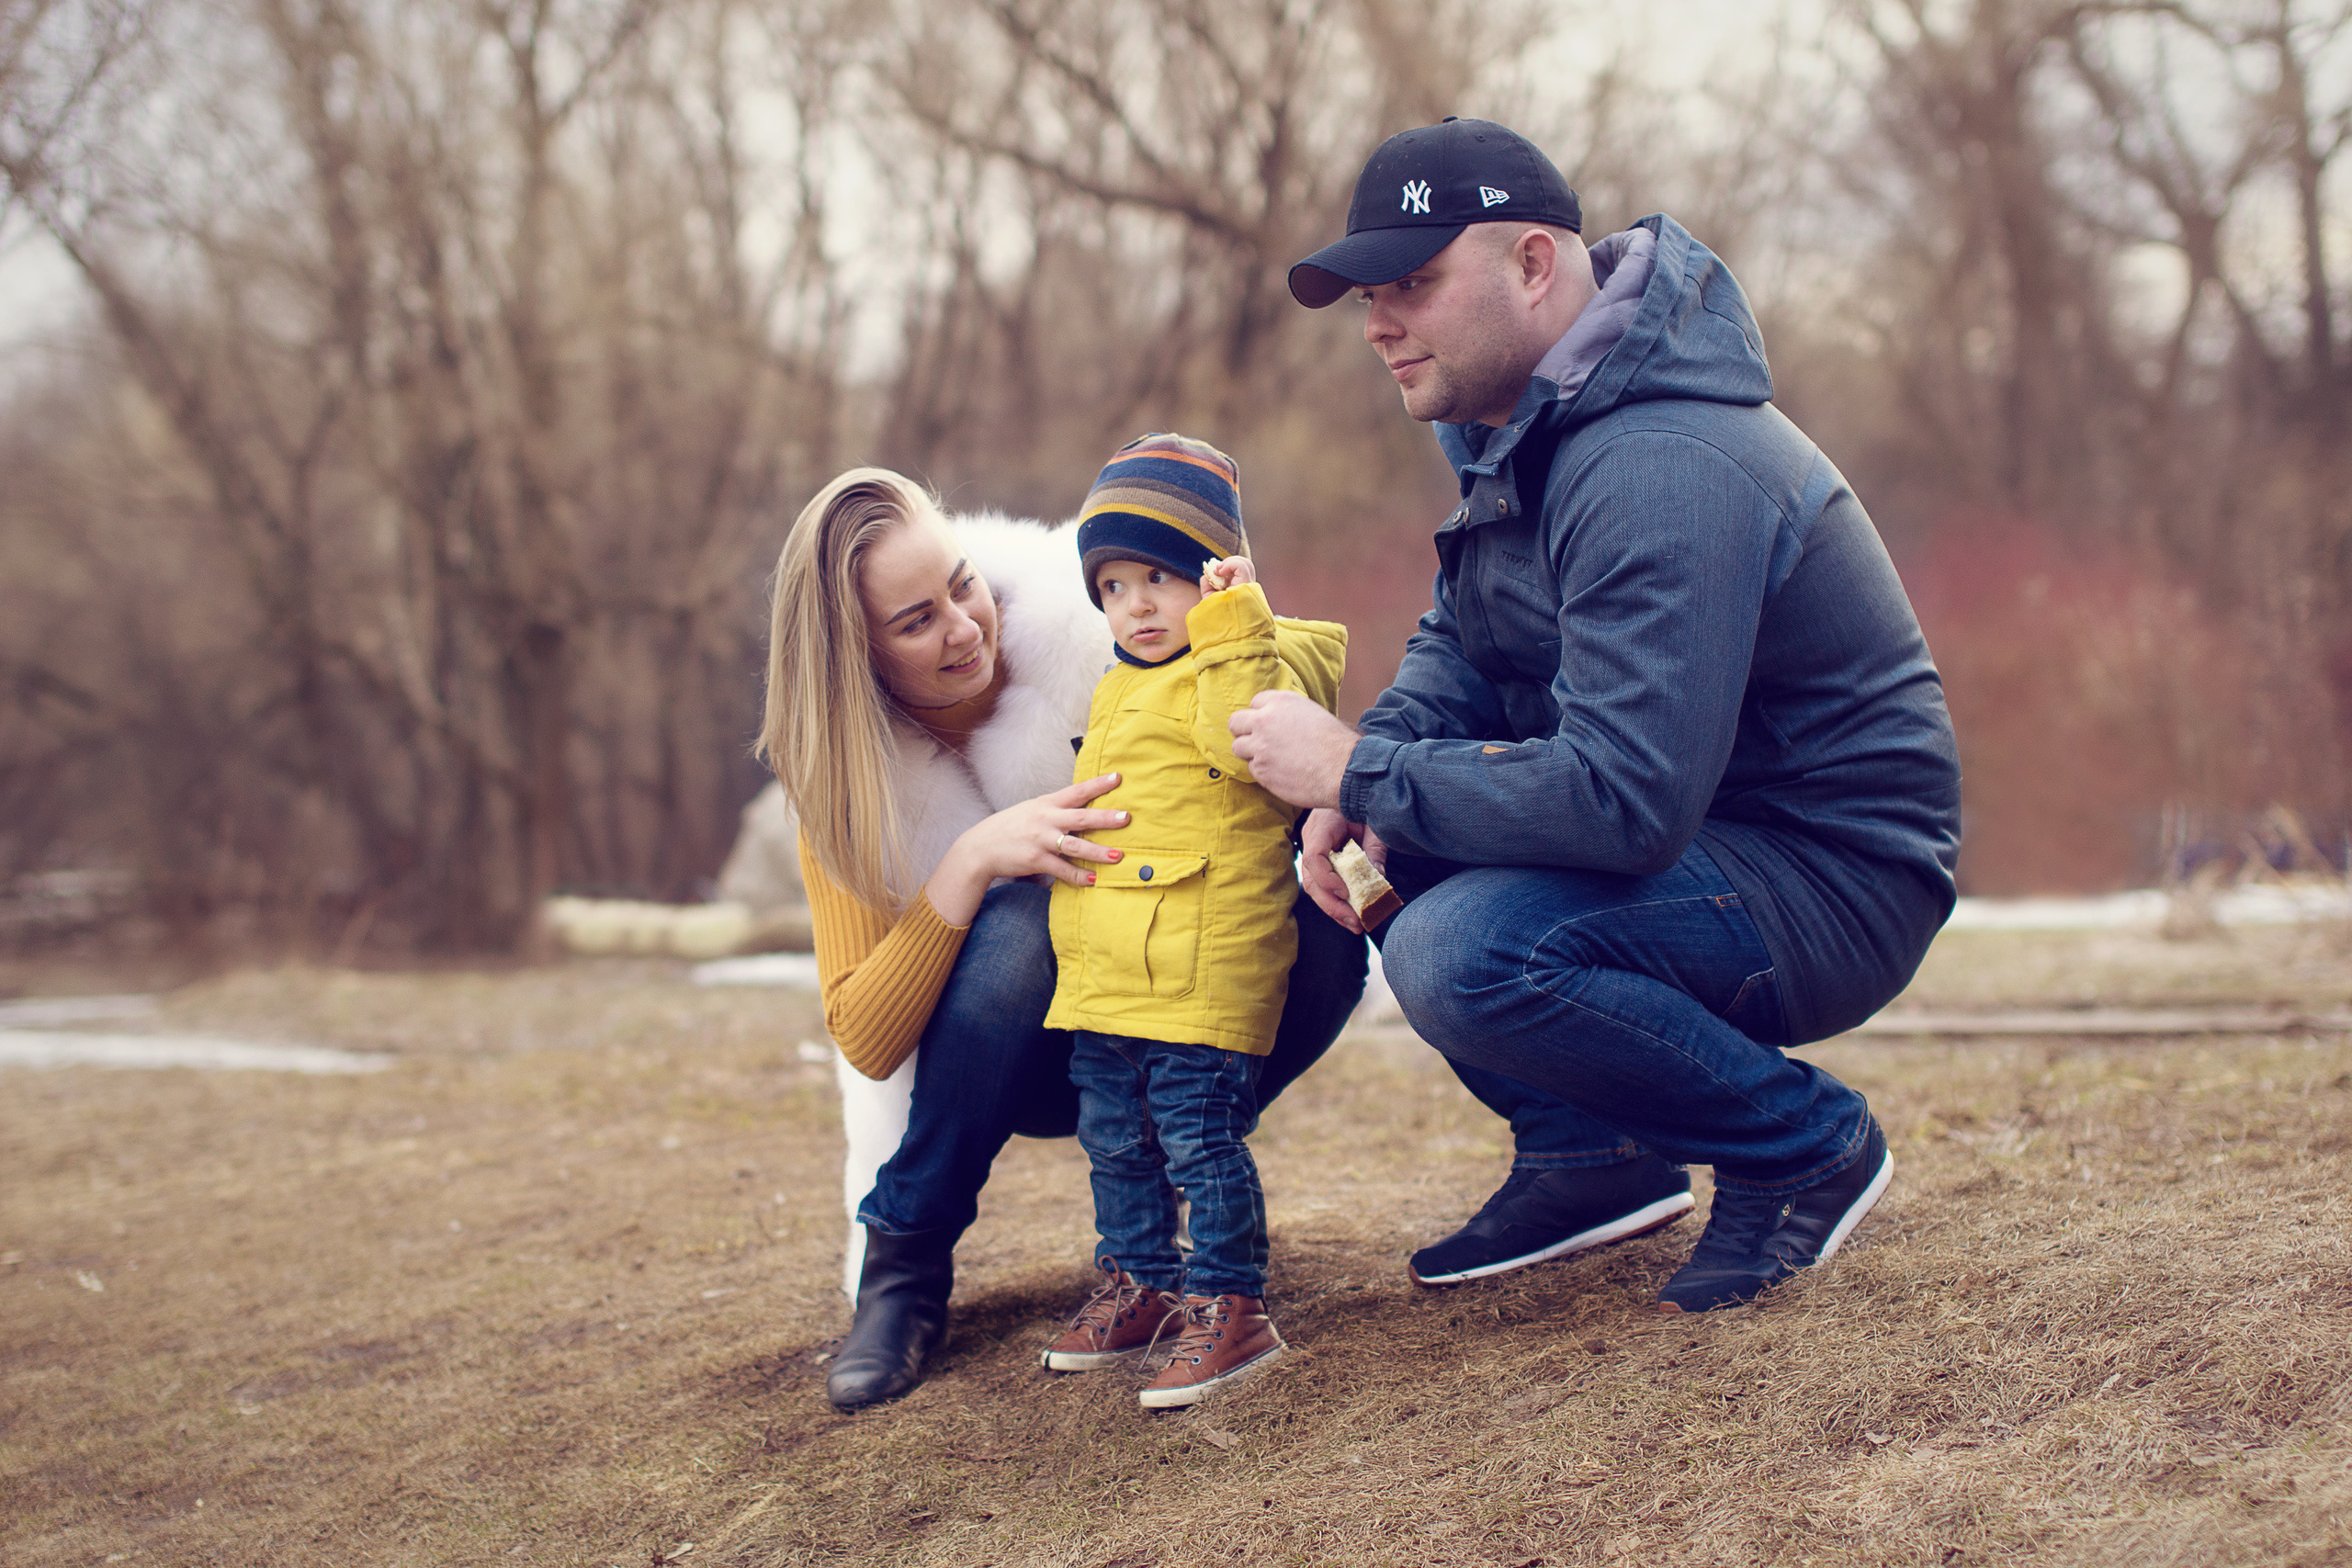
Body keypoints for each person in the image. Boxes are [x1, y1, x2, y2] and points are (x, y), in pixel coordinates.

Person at [1228, 118, 1962, 1313]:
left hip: (1836, 873)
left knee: (1463, 946)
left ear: (1532, 265)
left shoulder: (1656, 460)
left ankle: (1803, 1145)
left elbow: (1624, 800)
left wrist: (1365, 771)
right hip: (1706, 843)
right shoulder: (1522, 428)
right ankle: (1592, 1155)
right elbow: (1463, 639)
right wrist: (1361, 790)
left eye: (1412, 282)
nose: (1377, 323)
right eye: (1369, 291)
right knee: (1379, 857)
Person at [755, 468, 1365, 1412]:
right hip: (1003, 1063)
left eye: (963, 584)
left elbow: (1256, 764)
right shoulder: (845, 785)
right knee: (1026, 919)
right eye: (916, 622)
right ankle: (905, 1268)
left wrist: (1338, 807)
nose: (964, 627)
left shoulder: (1102, 641)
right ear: (855, 655)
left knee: (1313, 925)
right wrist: (966, 866)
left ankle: (1172, 1233)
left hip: (1171, 1009)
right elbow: (865, 1039)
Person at [1030, 434, 1346, 1409]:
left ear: (1213, 578)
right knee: (1115, 1140)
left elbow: (1235, 744)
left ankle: (1229, 1302)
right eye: (1114, 585)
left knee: (1199, 1139)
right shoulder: (1122, 678)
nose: (1135, 604)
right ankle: (1141, 1279)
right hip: (1111, 968)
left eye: (1160, 578)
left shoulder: (1253, 659)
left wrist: (1234, 626)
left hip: (1201, 966)